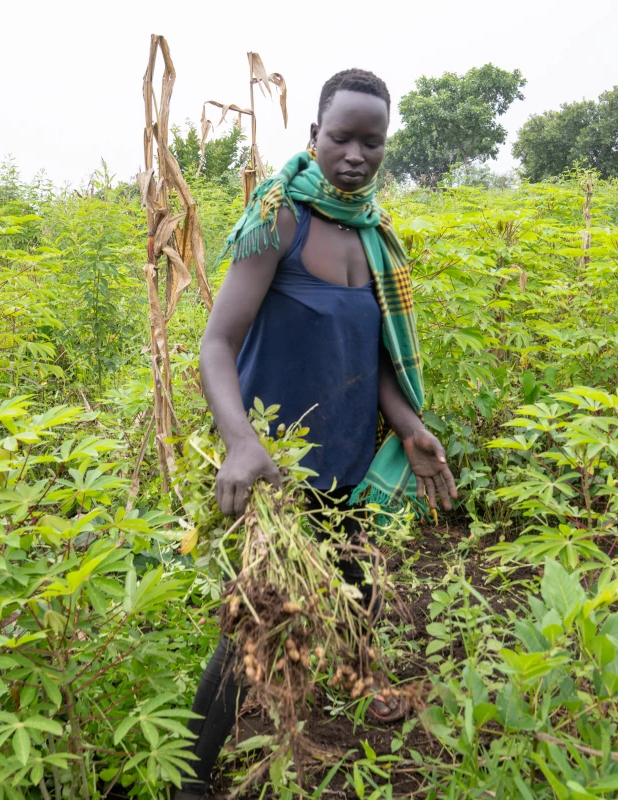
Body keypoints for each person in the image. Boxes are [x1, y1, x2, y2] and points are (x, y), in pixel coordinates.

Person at [175, 68, 457, 800]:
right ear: (312, 137)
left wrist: (411, 427)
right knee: (259, 622)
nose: (356, 155)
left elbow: (376, 359)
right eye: (341, 137)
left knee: (355, 583)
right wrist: (241, 442)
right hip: (276, 464)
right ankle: (189, 780)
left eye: (373, 142)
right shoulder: (280, 220)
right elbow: (215, 344)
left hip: (347, 458)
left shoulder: (373, 237)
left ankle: (361, 683)